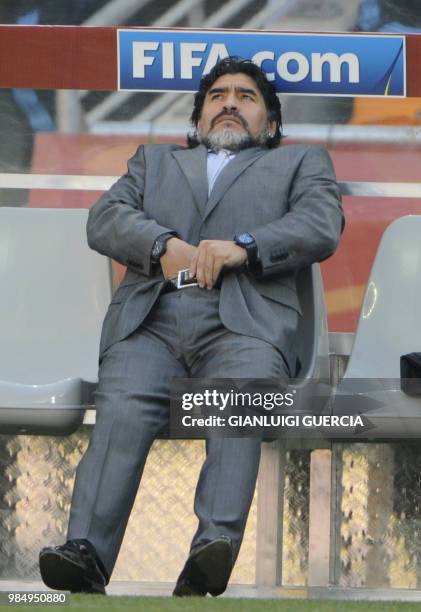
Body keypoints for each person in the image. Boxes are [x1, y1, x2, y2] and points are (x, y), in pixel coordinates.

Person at [39, 56, 344, 597]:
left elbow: (320, 224)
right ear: (199, 119)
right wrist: (163, 245)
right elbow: (106, 217)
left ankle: (211, 548)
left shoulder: (299, 163)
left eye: (246, 97)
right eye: (217, 96)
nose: (229, 103)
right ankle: (84, 552)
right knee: (124, 403)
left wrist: (244, 248)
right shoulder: (154, 162)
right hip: (152, 320)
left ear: (270, 124)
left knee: (238, 394)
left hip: (245, 319)